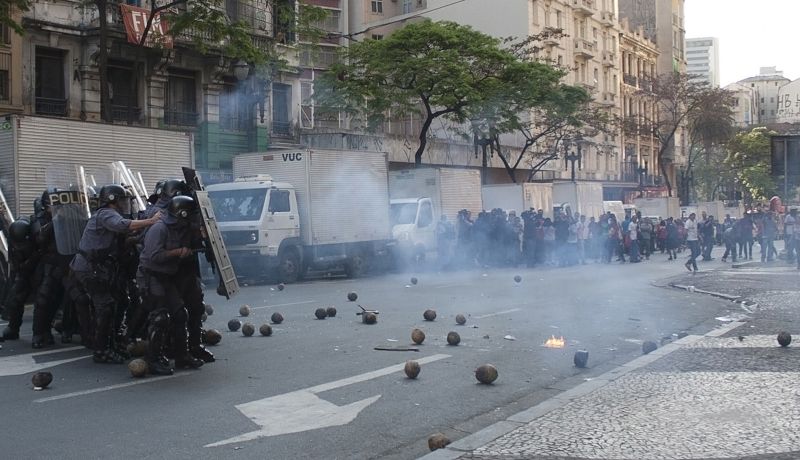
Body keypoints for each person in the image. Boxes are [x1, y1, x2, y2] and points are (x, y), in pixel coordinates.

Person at [71, 185, 161, 364]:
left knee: (119, 302)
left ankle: (112, 343)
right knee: (105, 306)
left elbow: (124, 237)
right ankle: (101, 350)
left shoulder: (110, 215)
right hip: (90, 268)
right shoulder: (106, 214)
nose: (124, 203)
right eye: (122, 200)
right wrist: (151, 221)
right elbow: (122, 226)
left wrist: (141, 235)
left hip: (99, 268)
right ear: (113, 200)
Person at [138, 195, 205, 375]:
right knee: (160, 318)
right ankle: (152, 360)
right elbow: (153, 256)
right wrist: (177, 252)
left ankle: (182, 356)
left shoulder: (181, 228)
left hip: (167, 278)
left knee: (180, 314)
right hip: (151, 275)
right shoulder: (159, 229)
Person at [1, 219, 40, 340]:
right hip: (22, 270)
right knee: (16, 299)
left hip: (37, 269)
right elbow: (13, 259)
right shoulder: (12, 240)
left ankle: (41, 332)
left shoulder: (36, 237)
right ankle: (13, 327)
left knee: (43, 299)